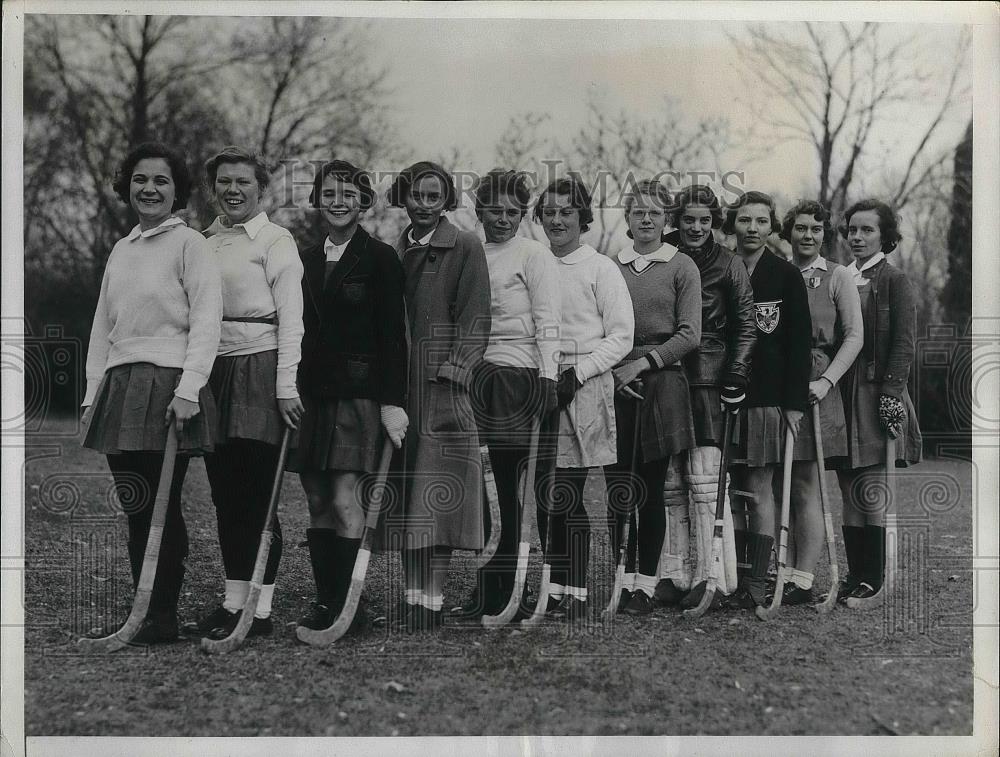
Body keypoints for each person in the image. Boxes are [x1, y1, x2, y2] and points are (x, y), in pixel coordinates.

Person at [81, 142, 222, 643]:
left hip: (168, 384)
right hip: (120, 383)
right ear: (128, 186)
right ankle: (142, 609)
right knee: (135, 502)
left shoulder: (191, 245)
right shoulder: (122, 249)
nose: (150, 189)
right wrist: (91, 394)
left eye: (161, 181)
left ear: (177, 190)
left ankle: (161, 613)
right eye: (141, 180)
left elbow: (207, 321)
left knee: (162, 502)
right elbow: (103, 325)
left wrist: (189, 388)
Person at [181, 146, 304, 640]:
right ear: (213, 188)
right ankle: (234, 601)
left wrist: (286, 385)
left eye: (243, 183)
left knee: (256, 495)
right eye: (224, 182)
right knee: (224, 493)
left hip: (259, 365)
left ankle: (262, 607)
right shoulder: (201, 241)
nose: (233, 190)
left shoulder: (276, 240)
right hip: (212, 368)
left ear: (260, 189)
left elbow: (292, 320)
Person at [287, 159, 408, 633]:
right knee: (316, 497)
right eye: (329, 194)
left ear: (363, 202)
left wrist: (393, 401)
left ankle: (349, 605)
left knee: (343, 498)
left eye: (348, 194)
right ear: (318, 200)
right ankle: (327, 600)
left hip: (357, 395)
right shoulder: (305, 258)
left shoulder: (379, 257)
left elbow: (392, 336)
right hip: (310, 395)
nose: (338, 202)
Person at [386, 161, 491, 632]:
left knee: (439, 494)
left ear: (446, 200)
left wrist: (456, 373)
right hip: (400, 387)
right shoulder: (396, 249)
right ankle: (411, 595)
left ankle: (431, 599)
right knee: (408, 493)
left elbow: (476, 317)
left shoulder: (465, 245)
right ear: (403, 197)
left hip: (443, 385)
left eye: (434, 196)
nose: (424, 205)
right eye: (416, 195)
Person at [453, 169, 560, 619]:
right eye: (495, 209)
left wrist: (548, 378)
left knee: (509, 487)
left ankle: (511, 590)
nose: (503, 218)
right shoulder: (468, 249)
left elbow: (548, 319)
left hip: (516, 377)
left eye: (513, 211)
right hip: (472, 373)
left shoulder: (533, 254)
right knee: (479, 489)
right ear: (479, 210)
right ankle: (487, 585)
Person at [533, 177, 634, 622]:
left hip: (582, 384)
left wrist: (577, 374)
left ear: (583, 218)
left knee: (567, 492)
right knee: (542, 490)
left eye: (566, 212)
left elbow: (622, 337)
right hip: (537, 383)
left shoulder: (600, 267)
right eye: (549, 212)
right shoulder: (534, 262)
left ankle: (573, 589)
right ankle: (552, 586)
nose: (557, 220)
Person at [655, 185, 756, 609]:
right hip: (665, 374)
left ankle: (713, 575)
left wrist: (735, 373)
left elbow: (747, 325)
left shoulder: (730, 264)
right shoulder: (662, 257)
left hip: (709, 378)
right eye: (688, 219)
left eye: (704, 220)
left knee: (705, 480)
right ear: (676, 220)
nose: (696, 228)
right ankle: (672, 573)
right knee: (670, 481)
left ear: (715, 223)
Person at [608, 179, 701, 615]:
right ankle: (621, 581)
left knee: (649, 486)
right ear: (627, 219)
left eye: (656, 213)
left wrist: (642, 365)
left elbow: (690, 335)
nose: (646, 220)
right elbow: (597, 327)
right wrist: (613, 371)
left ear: (667, 221)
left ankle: (645, 584)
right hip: (614, 382)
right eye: (638, 212)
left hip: (661, 382)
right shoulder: (612, 266)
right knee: (617, 487)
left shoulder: (682, 266)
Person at [723, 191, 812, 609]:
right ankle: (738, 577)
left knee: (759, 489)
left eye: (761, 221)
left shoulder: (785, 274)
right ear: (733, 224)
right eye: (744, 220)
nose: (752, 229)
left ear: (772, 227)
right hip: (722, 396)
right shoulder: (718, 267)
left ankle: (758, 580)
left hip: (766, 398)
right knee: (732, 489)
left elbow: (799, 345)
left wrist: (794, 402)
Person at [836, 199, 921, 602]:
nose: (857, 237)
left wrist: (890, 395)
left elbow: (904, 343)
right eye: (852, 229)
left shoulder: (894, 280)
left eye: (867, 230)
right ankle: (855, 575)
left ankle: (875, 579)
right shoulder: (840, 278)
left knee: (870, 488)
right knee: (847, 486)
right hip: (840, 391)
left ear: (884, 236)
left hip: (876, 392)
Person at [779, 200, 863, 605]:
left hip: (816, 383)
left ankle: (804, 577)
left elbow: (854, 336)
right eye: (800, 228)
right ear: (789, 232)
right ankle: (782, 569)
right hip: (777, 386)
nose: (808, 235)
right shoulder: (777, 271)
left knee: (805, 483)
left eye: (815, 229)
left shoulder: (837, 275)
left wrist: (827, 381)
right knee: (778, 481)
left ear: (824, 235)